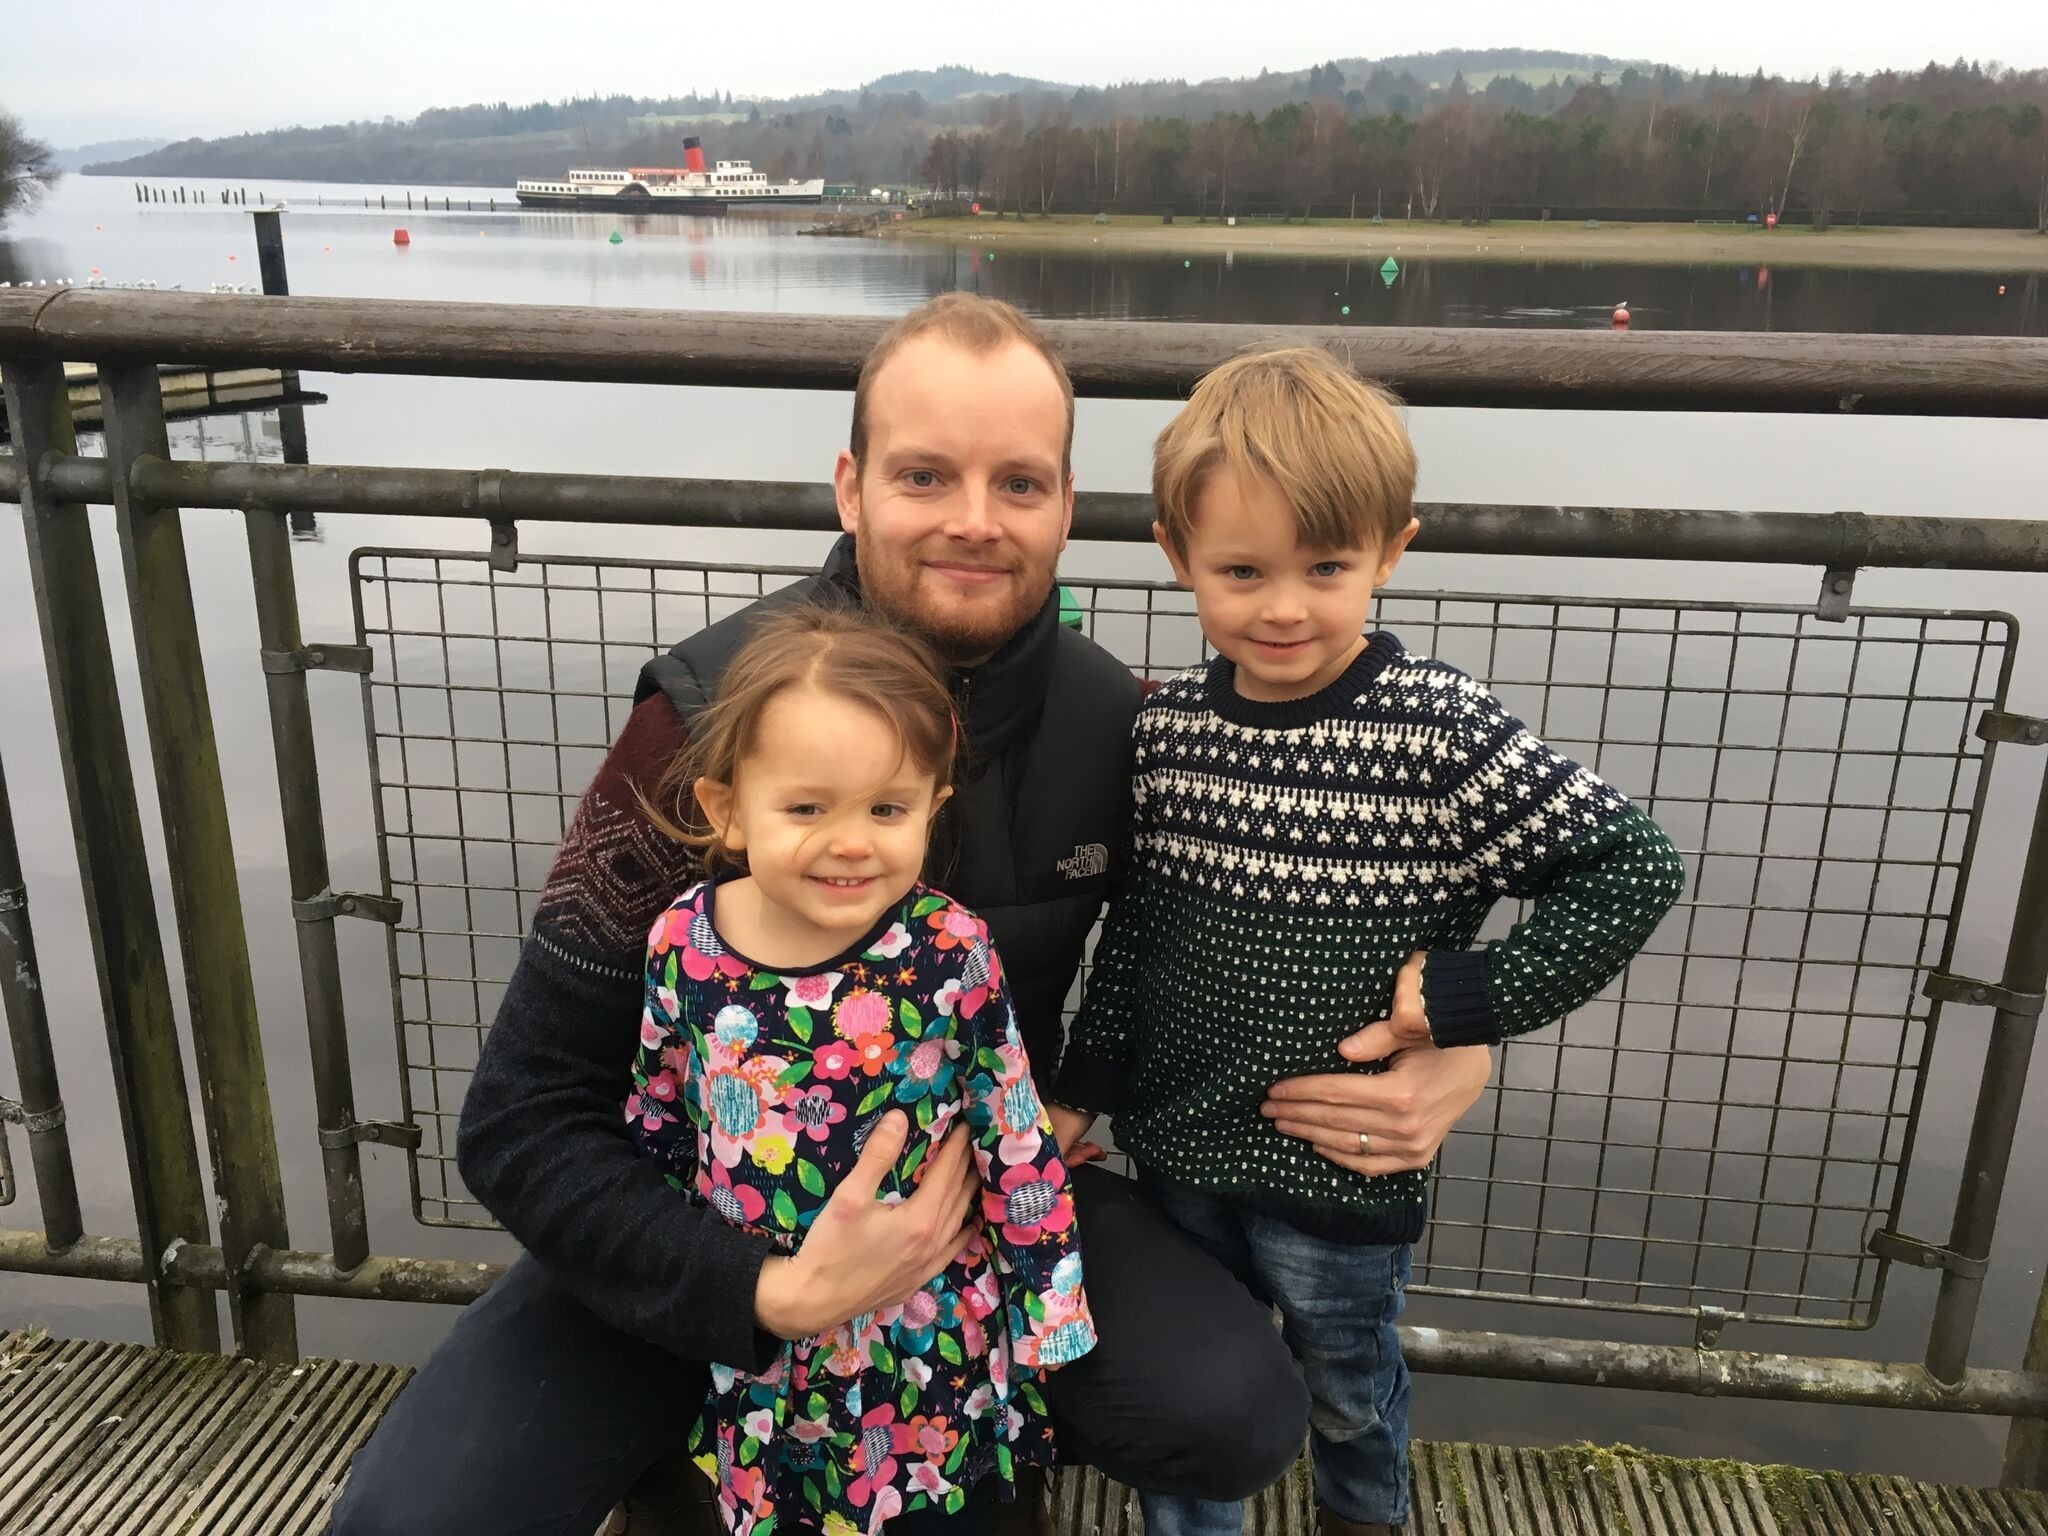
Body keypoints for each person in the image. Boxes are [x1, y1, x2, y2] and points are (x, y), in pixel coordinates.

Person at [330, 295, 1493, 1536]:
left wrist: (1459, 1040)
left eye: (1019, 483)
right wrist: (761, 1290)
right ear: (849, 485)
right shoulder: (698, 722)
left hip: (982, 1198)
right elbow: (521, 1117)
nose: (973, 522)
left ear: (1065, 504)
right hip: (695, 1214)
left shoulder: (1130, 731)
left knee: (1229, 1416)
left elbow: (1313, 892)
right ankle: (698, 1456)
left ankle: (979, 1437)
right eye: (925, 474)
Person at [1046, 348, 1687, 1536]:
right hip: (1179, 1148)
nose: (1282, 606)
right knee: (1195, 1400)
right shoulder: (1168, 733)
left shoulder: (1433, 729)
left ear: (1392, 549)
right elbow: (1134, 935)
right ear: (1175, 556)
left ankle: (1363, 1519)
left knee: (1347, 1384)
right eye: (1240, 570)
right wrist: (1083, 1088)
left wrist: (1461, 1004)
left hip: (1343, 1169)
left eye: (1326, 567)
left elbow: (1628, 867)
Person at [629, 605, 1093, 1536]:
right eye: (806, 808)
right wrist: (667, 1290)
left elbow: (1010, 1123)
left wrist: (1050, 1306)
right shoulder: (684, 939)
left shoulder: (949, 947)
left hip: (924, 1331)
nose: (851, 841)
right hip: (762, 1325)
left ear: (932, 808)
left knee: (939, 1506)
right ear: (727, 809)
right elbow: (660, 1107)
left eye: (887, 809)